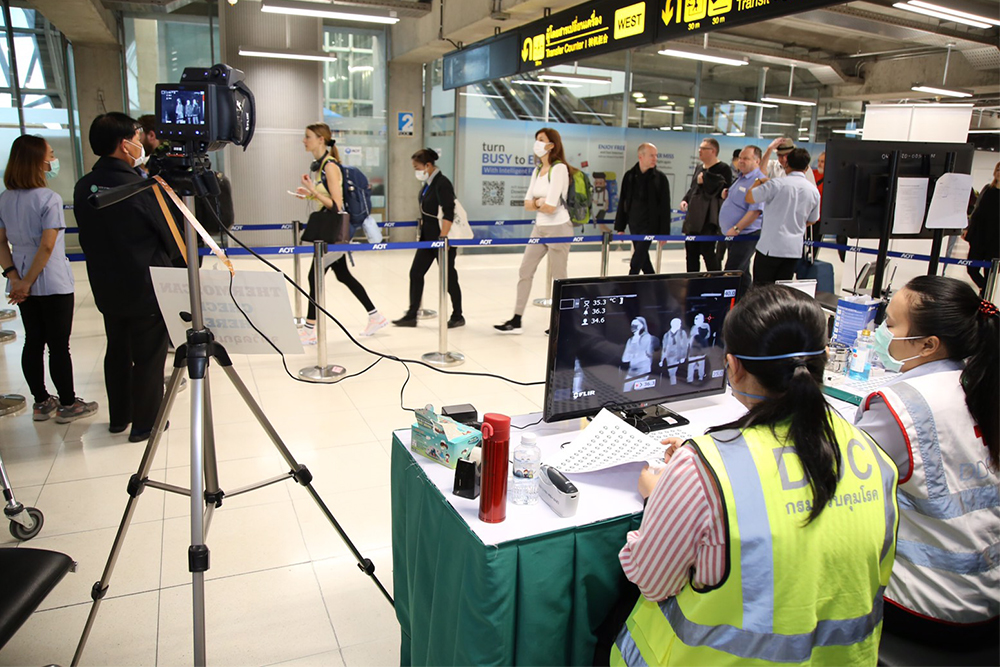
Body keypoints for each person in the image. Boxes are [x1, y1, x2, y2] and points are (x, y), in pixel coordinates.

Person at [611, 285, 898, 666]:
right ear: (825, 358)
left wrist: (660, 496)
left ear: (734, 366)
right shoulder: (871, 453)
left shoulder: (702, 468)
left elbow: (651, 579)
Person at [854, 276, 998, 642]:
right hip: (988, 595)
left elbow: (840, 481)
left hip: (927, 605)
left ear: (929, 344)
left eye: (890, 324)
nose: (880, 332)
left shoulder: (903, 406)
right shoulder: (983, 380)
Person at [74, 112, 178, 442]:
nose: (140, 141)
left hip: (106, 285)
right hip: (146, 286)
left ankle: (119, 418)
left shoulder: (82, 186)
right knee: (148, 356)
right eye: (136, 135)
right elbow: (169, 236)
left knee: (116, 351)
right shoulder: (141, 185)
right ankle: (146, 424)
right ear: (124, 144)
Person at [0, 135, 98, 423]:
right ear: (37, 162)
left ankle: (41, 401)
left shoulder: (5, 199)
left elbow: (1, 242)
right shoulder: (49, 199)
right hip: (50, 279)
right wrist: (28, 281)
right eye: (51, 155)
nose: (54, 160)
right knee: (58, 345)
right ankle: (68, 403)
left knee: (34, 340)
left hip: (21, 276)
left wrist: (15, 278)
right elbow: (47, 245)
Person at [294, 123, 386, 342]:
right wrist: (308, 194)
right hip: (331, 230)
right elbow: (327, 199)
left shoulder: (330, 167)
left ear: (321, 140)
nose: (304, 140)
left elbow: (337, 205)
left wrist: (312, 191)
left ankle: (309, 329)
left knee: (314, 275)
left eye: (307, 137)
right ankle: (375, 316)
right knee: (342, 274)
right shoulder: (322, 166)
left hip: (336, 231)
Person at [495, 127, 575, 334]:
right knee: (525, 271)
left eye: (541, 140)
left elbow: (551, 206)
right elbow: (528, 204)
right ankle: (516, 318)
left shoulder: (559, 169)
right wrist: (541, 203)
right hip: (539, 228)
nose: (537, 144)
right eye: (536, 140)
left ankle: (560, 322)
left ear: (551, 145)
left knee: (559, 277)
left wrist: (539, 203)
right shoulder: (537, 170)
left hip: (559, 227)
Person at [391, 148, 464, 328]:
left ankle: (458, 315)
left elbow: (449, 211)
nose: (416, 171)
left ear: (428, 165)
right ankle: (411, 315)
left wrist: (443, 238)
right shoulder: (429, 184)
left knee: (449, 278)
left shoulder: (442, 183)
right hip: (427, 238)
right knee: (416, 273)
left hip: (441, 239)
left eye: (417, 167)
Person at [746, 147, 820, 285]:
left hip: (770, 248)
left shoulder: (776, 184)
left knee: (761, 291)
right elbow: (813, 220)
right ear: (807, 167)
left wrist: (759, 180)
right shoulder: (813, 191)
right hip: (792, 250)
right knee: (781, 293)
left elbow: (750, 197)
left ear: (786, 164)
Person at [614, 144, 670, 276]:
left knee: (638, 257)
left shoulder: (660, 179)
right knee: (643, 257)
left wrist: (664, 232)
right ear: (641, 156)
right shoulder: (629, 176)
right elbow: (623, 201)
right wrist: (620, 227)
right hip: (634, 223)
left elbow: (664, 206)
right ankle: (653, 281)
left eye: (656, 155)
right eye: (651, 155)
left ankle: (630, 280)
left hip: (651, 224)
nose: (655, 158)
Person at [719, 145, 766, 294]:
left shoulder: (758, 181)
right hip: (735, 236)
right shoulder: (741, 178)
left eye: (746, 158)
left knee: (732, 272)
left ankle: (726, 308)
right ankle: (745, 303)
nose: (741, 161)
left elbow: (755, 211)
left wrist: (737, 228)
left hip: (746, 235)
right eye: (740, 158)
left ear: (757, 161)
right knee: (743, 273)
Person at [679, 138, 731, 272]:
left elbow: (722, 192)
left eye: (703, 148)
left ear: (713, 151)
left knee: (708, 252)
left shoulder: (723, 169)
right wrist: (685, 199)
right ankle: (691, 282)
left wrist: (706, 181)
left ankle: (714, 283)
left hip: (709, 219)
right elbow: (693, 188)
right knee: (691, 253)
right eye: (699, 148)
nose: (700, 151)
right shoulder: (698, 168)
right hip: (694, 217)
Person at [964, 161, 999, 294]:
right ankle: (984, 289)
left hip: (996, 239)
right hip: (979, 234)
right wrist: (968, 229)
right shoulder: (987, 189)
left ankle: (985, 297)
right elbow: (977, 211)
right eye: (998, 169)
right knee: (971, 268)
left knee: (990, 271)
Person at [659, 318, 687, 386]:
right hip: (670, 357)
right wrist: (662, 360)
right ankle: (672, 385)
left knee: (676, 372)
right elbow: (664, 348)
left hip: (678, 356)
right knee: (671, 372)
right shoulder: (667, 335)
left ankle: (674, 384)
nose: (680, 325)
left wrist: (683, 356)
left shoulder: (682, 333)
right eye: (678, 323)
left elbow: (684, 346)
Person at [685, 313, 711, 383]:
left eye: (697, 319)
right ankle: (690, 379)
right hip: (693, 351)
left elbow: (706, 337)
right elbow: (691, 339)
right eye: (695, 319)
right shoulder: (694, 328)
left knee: (701, 365)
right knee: (691, 365)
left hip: (701, 351)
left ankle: (701, 377)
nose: (695, 320)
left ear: (702, 319)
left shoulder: (705, 327)